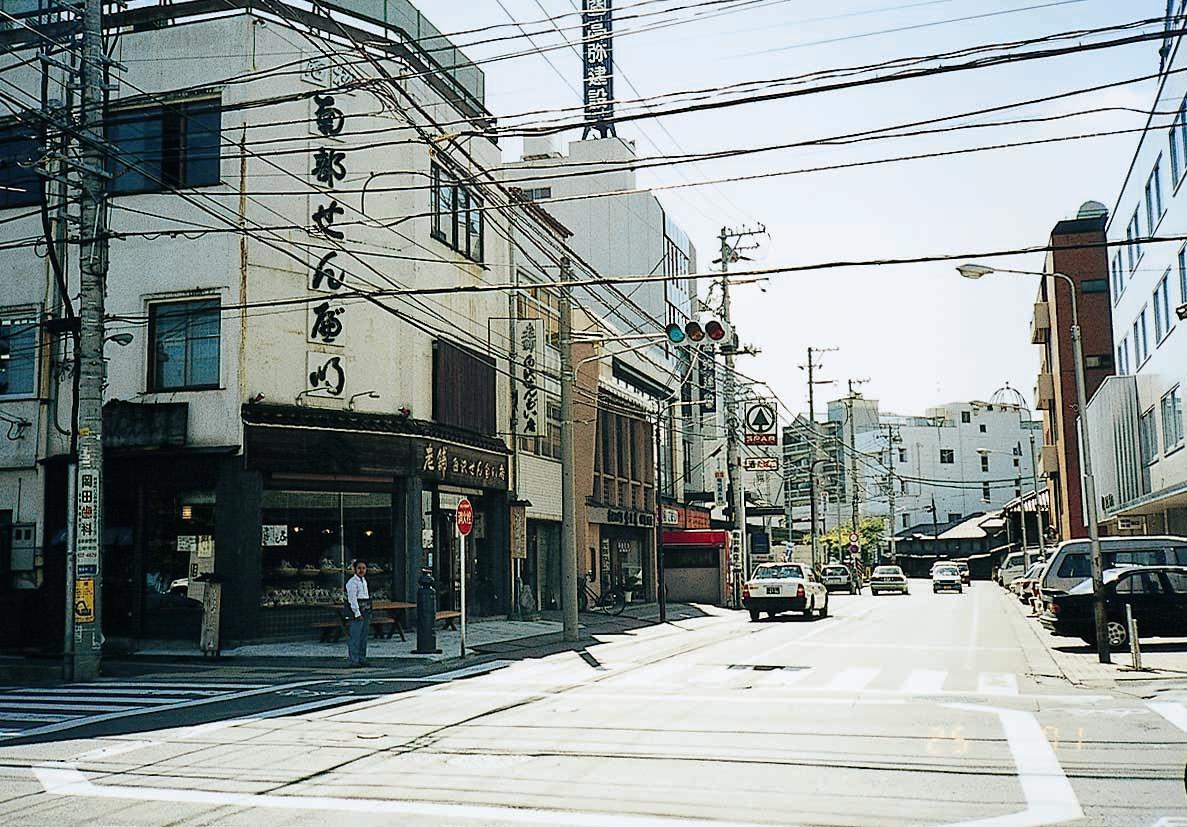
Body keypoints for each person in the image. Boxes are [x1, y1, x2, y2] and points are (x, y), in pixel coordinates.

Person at [345, 559, 371, 667]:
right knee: (355, 636)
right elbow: (352, 599)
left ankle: (362, 657)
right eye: (359, 568)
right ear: (355, 569)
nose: (361, 570)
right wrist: (357, 613)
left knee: (363, 636)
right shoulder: (352, 583)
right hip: (357, 611)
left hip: (366, 609)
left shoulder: (364, 581)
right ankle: (354, 659)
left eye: (363, 568)